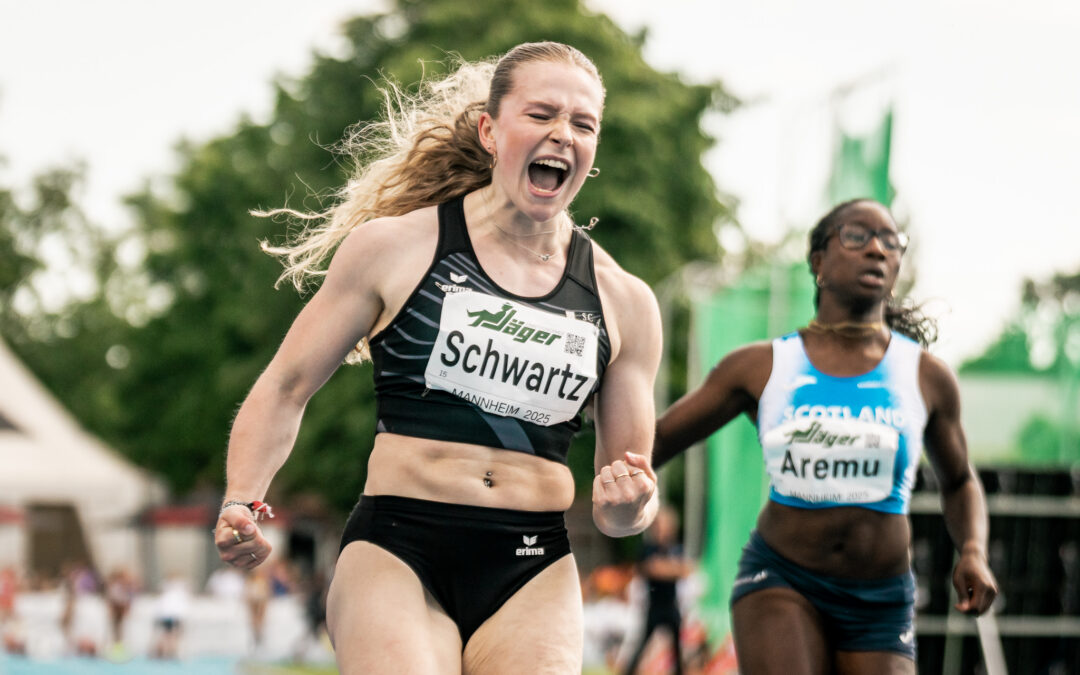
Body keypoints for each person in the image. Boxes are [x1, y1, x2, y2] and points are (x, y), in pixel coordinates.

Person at [213, 41, 662, 674]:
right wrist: (241, 498)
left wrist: (628, 506)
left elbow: (627, 503)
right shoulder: (395, 248)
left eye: (583, 124)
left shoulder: (624, 302)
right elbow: (286, 388)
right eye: (541, 114)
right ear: (489, 130)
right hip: (399, 550)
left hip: (532, 565)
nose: (563, 134)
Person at [652, 199, 998, 674]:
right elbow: (655, 442)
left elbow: (959, 481)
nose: (876, 249)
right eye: (857, 236)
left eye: (891, 242)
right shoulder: (760, 367)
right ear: (818, 262)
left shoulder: (926, 377)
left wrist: (973, 550)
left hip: (880, 599)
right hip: (781, 580)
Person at [622, 503, 695, 675]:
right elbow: (649, 568)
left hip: (671, 605)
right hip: (654, 605)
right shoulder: (648, 548)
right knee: (642, 645)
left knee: (677, 648)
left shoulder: (676, 548)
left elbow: (685, 570)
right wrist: (670, 569)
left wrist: (663, 568)